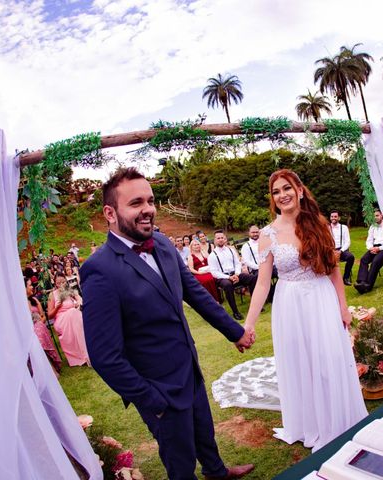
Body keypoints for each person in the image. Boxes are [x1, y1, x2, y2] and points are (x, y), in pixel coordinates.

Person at [80, 167, 255, 480]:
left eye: (150, 200)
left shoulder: (162, 243)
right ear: (110, 213)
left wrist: (236, 332)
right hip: (157, 387)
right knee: (180, 460)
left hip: (189, 368)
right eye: (135, 203)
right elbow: (105, 356)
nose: (147, 208)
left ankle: (216, 471)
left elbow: (197, 294)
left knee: (204, 430)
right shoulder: (99, 269)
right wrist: (151, 400)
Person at [243, 169, 368, 452]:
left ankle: (337, 418)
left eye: (287, 188)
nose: (282, 195)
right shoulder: (267, 235)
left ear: (300, 190)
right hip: (289, 304)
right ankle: (310, 422)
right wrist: (249, 324)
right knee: (301, 362)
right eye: (276, 192)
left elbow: (334, 270)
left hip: (321, 297)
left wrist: (343, 306)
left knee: (329, 358)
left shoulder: (319, 224)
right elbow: (262, 284)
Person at [208, 229, 257, 321]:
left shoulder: (231, 251)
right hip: (222, 277)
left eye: (222, 237)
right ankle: (235, 311)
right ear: (214, 240)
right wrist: (228, 277)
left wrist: (237, 274)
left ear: (225, 239)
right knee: (227, 285)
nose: (221, 239)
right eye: (218, 238)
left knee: (252, 278)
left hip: (235, 273)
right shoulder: (212, 255)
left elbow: (237, 263)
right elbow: (214, 272)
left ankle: (254, 305)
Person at [47, 274, 90, 367]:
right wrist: (57, 307)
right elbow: (50, 315)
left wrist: (77, 304)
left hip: (73, 317)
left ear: (66, 281)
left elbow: (79, 300)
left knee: (75, 314)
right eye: (58, 283)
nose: (61, 284)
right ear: (55, 283)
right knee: (73, 313)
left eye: (63, 281)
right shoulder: (52, 295)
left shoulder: (69, 291)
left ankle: (86, 352)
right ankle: (81, 355)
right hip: (60, 319)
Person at [354, 209, 383, 293]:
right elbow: (369, 240)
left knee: (375, 261)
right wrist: (371, 248)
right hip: (374, 248)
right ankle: (361, 282)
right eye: (374, 216)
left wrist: (379, 249)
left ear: (382, 215)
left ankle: (368, 286)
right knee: (364, 259)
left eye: (377, 215)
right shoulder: (372, 226)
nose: (375, 218)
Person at [329, 211, 355, 285]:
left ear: (339, 218)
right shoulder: (327, 228)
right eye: (332, 216)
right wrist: (331, 250)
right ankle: (329, 279)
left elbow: (348, 242)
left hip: (342, 250)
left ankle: (345, 278)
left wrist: (341, 251)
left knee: (351, 257)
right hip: (331, 250)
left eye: (335, 216)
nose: (333, 218)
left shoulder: (344, 228)